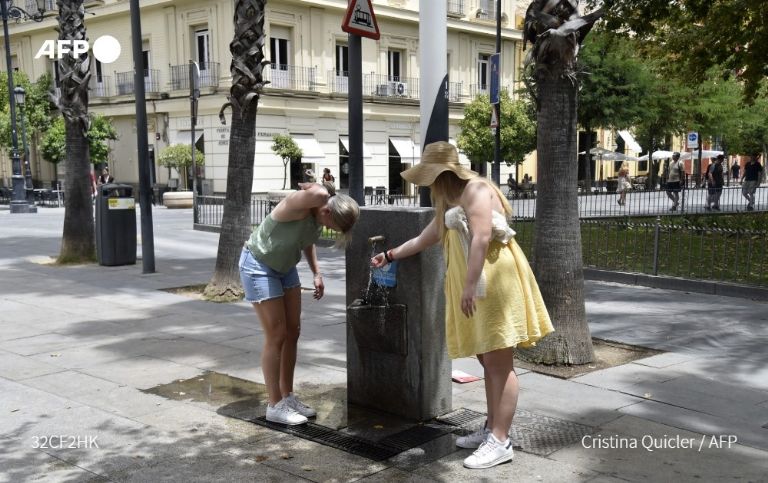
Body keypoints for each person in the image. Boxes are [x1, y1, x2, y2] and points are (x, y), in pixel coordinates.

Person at [370, 141, 553, 470]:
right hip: (477, 283)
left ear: (441, 174)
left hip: (493, 282)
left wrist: (469, 285)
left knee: (499, 361)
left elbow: (482, 237)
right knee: (488, 358)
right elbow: (427, 237)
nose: (427, 186)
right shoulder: (450, 201)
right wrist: (391, 255)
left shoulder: (476, 190)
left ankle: (501, 440)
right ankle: (491, 429)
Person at [239, 182, 359, 425]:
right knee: (277, 335)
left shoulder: (317, 218)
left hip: (285, 268)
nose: (332, 232)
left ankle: (287, 396)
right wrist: (322, 188)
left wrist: (317, 272)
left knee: (293, 331)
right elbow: (318, 192)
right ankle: (274, 405)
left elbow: (306, 240)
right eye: (335, 228)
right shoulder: (299, 206)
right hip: (259, 265)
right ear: (327, 211)